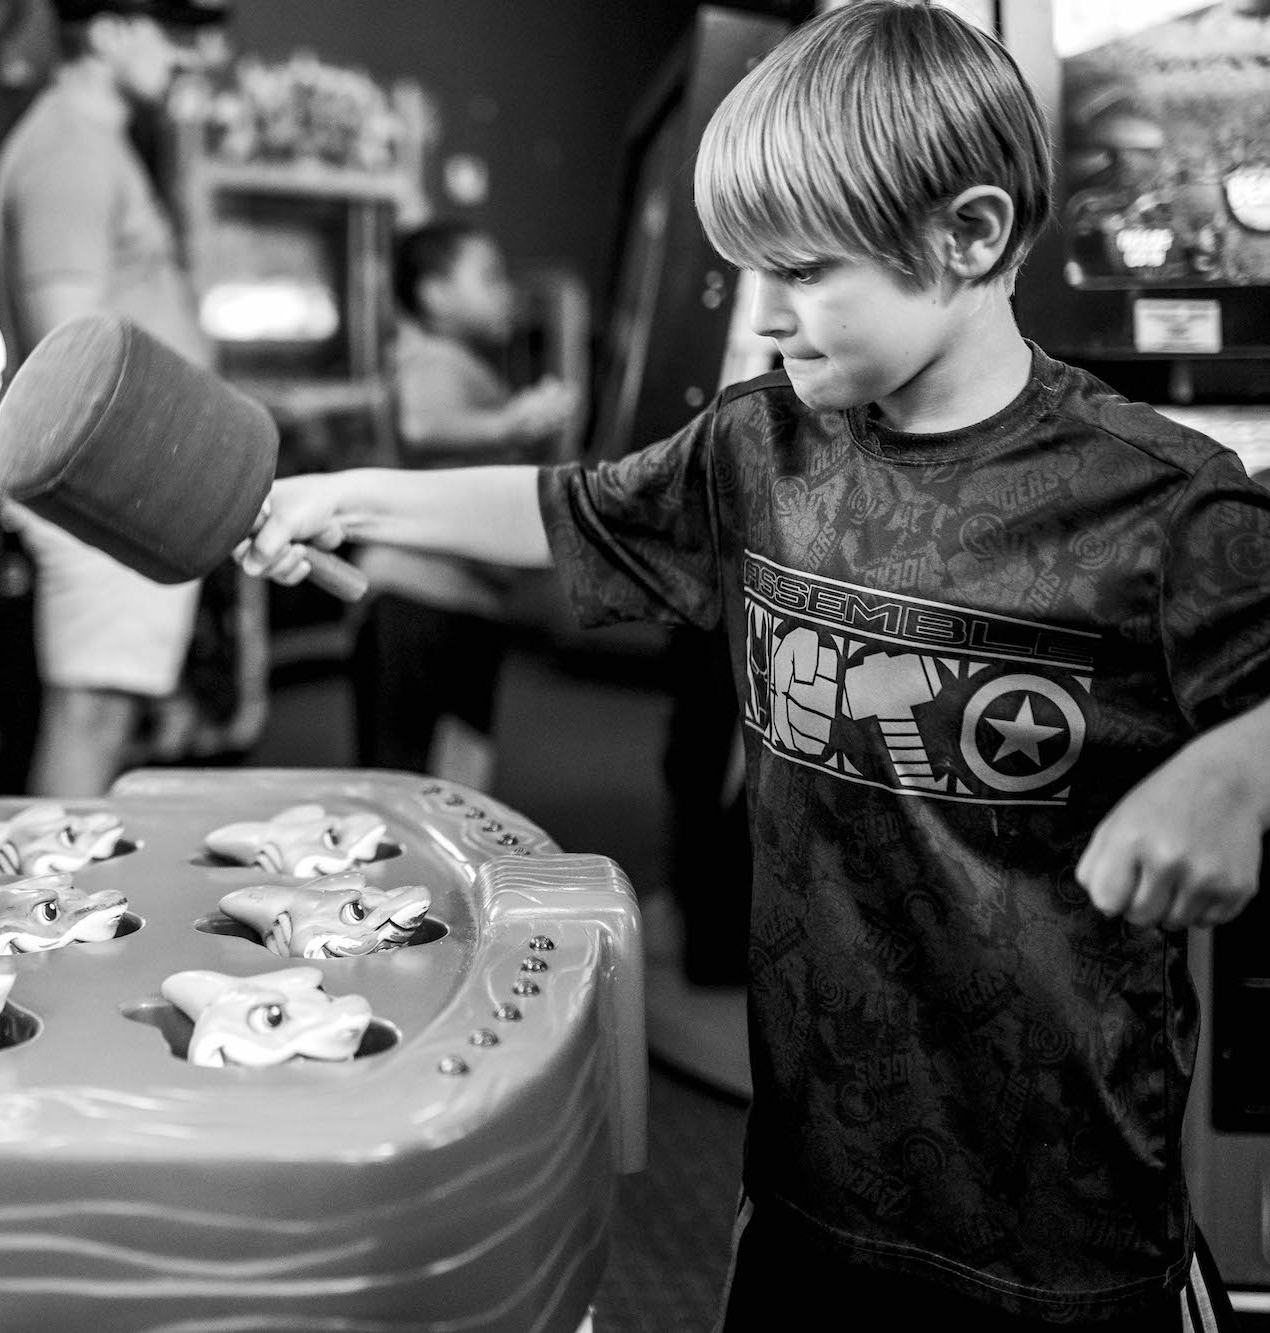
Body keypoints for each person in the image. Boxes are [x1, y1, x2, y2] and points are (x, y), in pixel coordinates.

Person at [237, 4, 1270, 1327]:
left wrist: (1236, 773)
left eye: (802, 270)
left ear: (969, 236)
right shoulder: (761, 444)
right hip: (812, 1187)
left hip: (1061, 1223)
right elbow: (574, 507)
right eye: (747, 271)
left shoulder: (1158, 500)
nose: (762, 314)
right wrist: (355, 496)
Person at [0, 0, 226, 797]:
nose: (193, 53)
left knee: (107, 719)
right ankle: (49, 915)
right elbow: (72, 363)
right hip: (103, 490)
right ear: (112, 30)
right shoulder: (70, 153)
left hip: (124, 486)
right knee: (90, 718)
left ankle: (62, 904)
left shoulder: (96, 142)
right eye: (175, 30)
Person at [354, 221, 576, 783]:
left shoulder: (465, 366)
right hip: (420, 600)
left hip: (462, 603)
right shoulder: (432, 359)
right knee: (404, 778)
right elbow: (424, 425)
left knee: (454, 770)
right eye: (490, 277)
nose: (507, 292)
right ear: (434, 295)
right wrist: (513, 422)